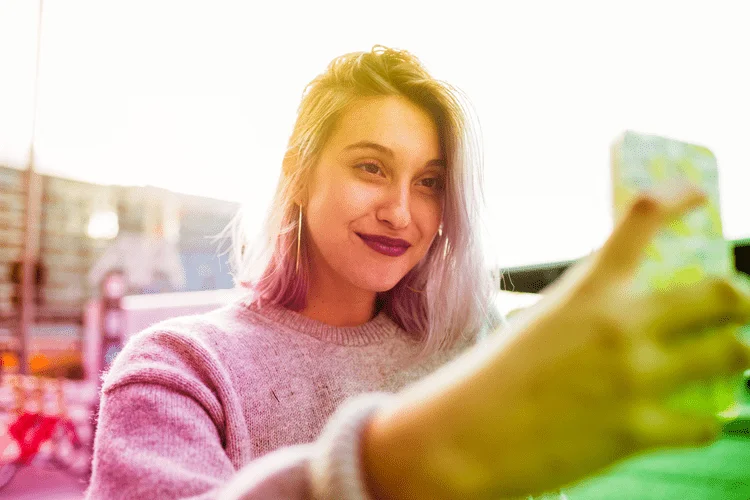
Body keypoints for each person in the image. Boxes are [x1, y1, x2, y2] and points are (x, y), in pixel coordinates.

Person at [84, 46, 750, 500]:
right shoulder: (179, 369)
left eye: (430, 182)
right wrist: (400, 459)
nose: (401, 212)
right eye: (371, 166)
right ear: (298, 168)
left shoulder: (472, 341)